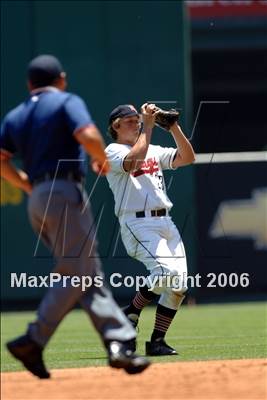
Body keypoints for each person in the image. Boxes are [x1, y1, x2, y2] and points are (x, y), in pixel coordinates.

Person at [0, 55, 150, 378]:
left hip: (38, 199)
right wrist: (101, 159)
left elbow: (1, 161)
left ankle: (118, 343)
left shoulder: (16, 114)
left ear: (29, 84)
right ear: (62, 79)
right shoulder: (66, 102)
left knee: (85, 274)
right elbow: (87, 134)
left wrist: (28, 186)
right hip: (65, 192)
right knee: (78, 272)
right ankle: (33, 339)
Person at [105, 103, 195, 356]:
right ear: (116, 125)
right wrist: (148, 125)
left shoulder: (152, 149)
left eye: (138, 119)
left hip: (166, 221)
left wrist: (173, 127)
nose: (137, 123)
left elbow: (188, 157)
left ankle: (156, 340)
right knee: (165, 272)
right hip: (137, 222)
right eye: (131, 120)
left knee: (178, 284)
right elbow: (133, 163)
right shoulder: (112, 150)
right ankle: (130, 311)